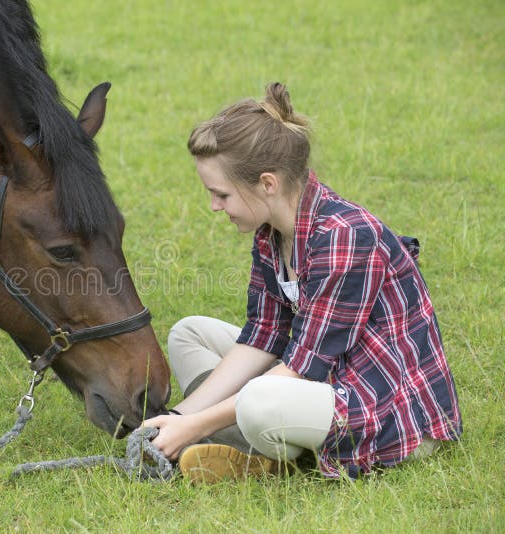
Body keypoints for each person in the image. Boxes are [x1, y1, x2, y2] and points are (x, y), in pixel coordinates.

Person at [142, 82, 462, 483]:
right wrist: (178, 417)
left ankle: (259, 445)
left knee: (259, 400)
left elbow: (300, 368)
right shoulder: (271, 232)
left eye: (221, 194)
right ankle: (259, 442)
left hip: (385, 410)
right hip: (321, 378)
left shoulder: (345, 236)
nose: (213, 206)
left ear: (267, 183)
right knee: (189, 334)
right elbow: (263, 334)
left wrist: (196, 425)